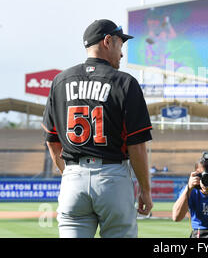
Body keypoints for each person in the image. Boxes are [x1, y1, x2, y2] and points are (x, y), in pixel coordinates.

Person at [42, 19, 153, 238]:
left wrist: (70, 174)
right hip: (112, 177)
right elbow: (137, 146)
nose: (122, 53)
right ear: (107, 41)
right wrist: (145, 191)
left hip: (73, 177)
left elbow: (52, 140)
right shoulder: (125, 82)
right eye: (121, 44)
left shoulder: (60, 81)